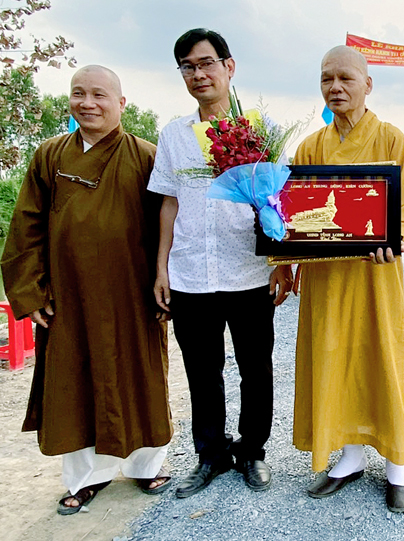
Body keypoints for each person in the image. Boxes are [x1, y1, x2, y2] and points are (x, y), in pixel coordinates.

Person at [0, 65, 172, 514]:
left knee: (140, 376)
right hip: (68, 294)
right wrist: (30, 291)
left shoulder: (146, 156)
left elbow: (170, 225)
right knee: (73, 382)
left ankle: (145, 465)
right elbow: (26, 226)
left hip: (132, 292)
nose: (88, 103)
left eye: (99, 94)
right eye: (79, 94)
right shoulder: (50, 155)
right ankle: (86, 478)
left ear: (121, 104)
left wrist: (166, 280)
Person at [148, 28, 292, 498]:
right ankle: (210, 455)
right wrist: (161, 268)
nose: (198, 74)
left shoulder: (262, 131)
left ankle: (252, 451)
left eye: (206, 63)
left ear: (229, 67)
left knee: (256, 368)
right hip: (191, 274)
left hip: (248, 271)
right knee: (201, 371)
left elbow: (281, 202)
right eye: (188, 67)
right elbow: (169, 202)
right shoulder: (173, 135)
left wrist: (281, 262)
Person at [290, 45, 404, 513]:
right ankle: (348, 456)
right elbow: (294, 213)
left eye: (346, 78)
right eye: (327, 78)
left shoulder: (390, 139)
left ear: (368, 84)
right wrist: (284, 252)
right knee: (332, 358)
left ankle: (397, 464)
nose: (335, 87)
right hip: (325, 278)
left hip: (374, 276)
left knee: (379, 355)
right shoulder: (310, 146)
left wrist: (395, 237)